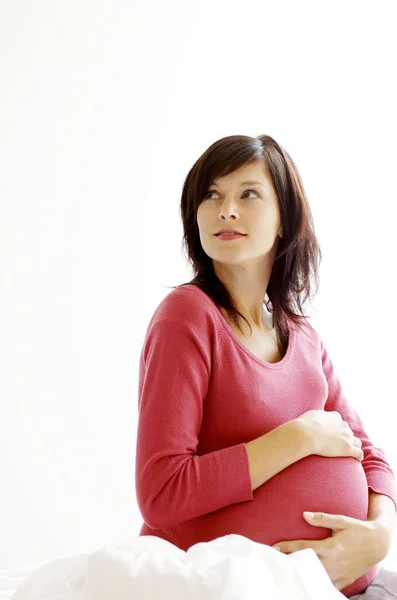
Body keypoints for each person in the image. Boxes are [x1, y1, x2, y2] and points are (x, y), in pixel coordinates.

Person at [134, 134, 397, 598]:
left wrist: (378, 536)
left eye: (248, 194)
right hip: (211, 585)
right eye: (211, 195)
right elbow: (161, 493)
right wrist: (295, 439)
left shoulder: (304, 338)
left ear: (284, 220)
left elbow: (372, 459)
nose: (226, 210)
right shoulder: (188, 317)